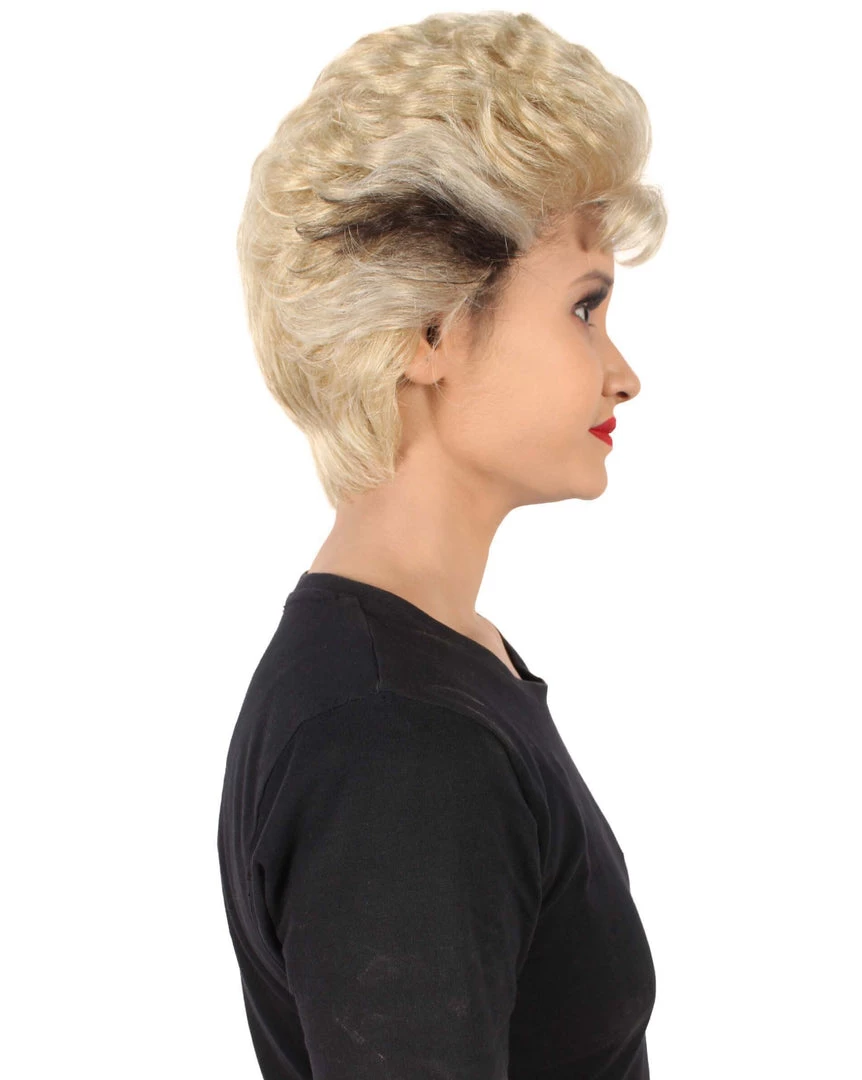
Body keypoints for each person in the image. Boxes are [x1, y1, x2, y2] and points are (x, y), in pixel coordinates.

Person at [218, 11, 667, 1079]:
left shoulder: (439, 661)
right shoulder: (398, 747)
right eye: (585, 308)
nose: (624, 375)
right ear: (426, 326)